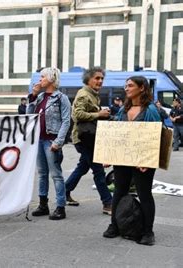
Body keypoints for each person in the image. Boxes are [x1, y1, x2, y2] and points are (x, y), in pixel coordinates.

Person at [103, 76, 161, 246]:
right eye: (126, 85)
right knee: (119, 191)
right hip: (123, 158)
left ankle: (148, 232)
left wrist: (147, 161)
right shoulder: (123, 110)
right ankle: (114, 225)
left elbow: (155, 137)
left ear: (142, 88)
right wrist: (109, 156)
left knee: (144, 194)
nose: (126, 88)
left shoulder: (150, 110)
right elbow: (117, 135)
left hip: (143, 161)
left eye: (130, 85)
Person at [64, 67, 113, 215]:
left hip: (89, 138)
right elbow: (77, 115)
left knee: (82, 167)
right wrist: (99, 114)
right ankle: (108, 203)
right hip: (83, 138)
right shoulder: (84, 94)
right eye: (97, 78)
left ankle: (64, 191)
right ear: (88, 79)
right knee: (98, 170)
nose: (100, 81)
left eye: (102, 78)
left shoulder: (93, 95)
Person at [27, 67, 71, 220]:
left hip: (51, 141)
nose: (40, 80)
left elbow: (66, 121)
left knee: (56, 175)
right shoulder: (40, 97)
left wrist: (58, 141)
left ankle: (60, 206)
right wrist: (33, 95)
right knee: (42, 174)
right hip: (39, 139)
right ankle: (43, 204)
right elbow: (29, 115)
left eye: (43, 77)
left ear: (52, 79)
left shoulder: (61, 98)